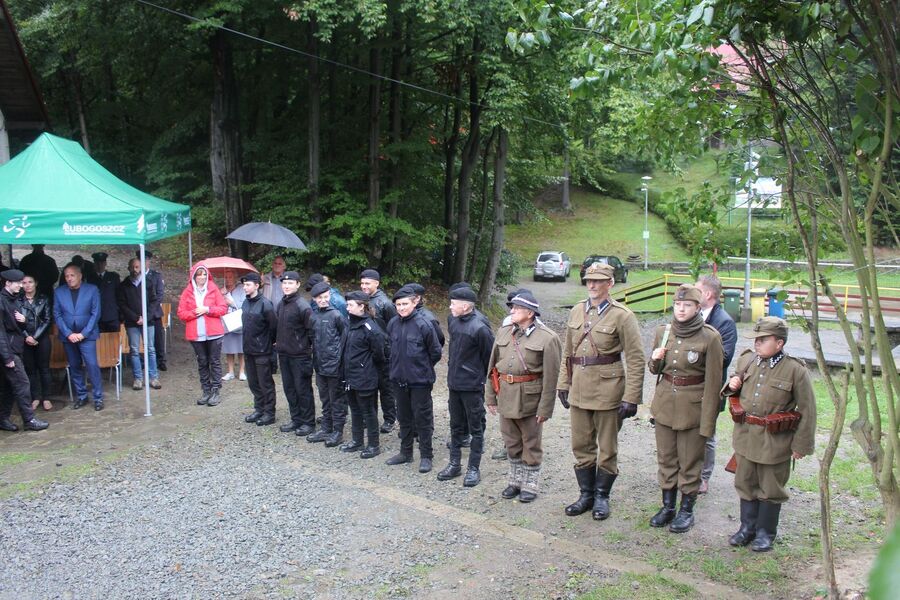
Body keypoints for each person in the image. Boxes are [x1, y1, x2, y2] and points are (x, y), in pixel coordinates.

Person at [557, 262, 646, 521]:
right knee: (581, 445)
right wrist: (563, 383)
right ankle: (585, 494)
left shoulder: (623, 316)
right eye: (588, 280)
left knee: (607, 448)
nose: (592, 285)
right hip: (580, 389)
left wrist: (631, 397)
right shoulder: (576, 311)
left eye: (598, 280)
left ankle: (602, 497)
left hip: (609, 390)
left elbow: (636, 358)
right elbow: (568, 352)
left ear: (610, 283)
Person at [724, 317, 816, 552]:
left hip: (775, 440)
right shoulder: (747, 360)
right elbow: (733, 392)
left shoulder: (795, 370)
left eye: (763, 340)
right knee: (745, 482)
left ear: (779, 343)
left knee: (770, 487)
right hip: (746, 436)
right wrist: (732, 385)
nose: (757, 343)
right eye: (756, 339)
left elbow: (807, 410)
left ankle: (765, 533)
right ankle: (747, 528)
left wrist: (800, 445)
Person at [647, 284, 723, 533]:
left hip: (693, 409)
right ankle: (668, 507)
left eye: (687, 305)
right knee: (666, 458)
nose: (681, 309)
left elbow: (714, 383)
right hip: (666, 404)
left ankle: (686, 511)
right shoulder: (663, 332)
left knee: (690, 462)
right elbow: (655, 370)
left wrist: (708, 422)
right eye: (678, 304)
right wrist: (656, 359)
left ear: (697, 308)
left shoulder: (709, 337)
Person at [485, 291, 561, 503]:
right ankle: (515, 481)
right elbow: (492, 368)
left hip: (530, 398)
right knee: (511, 440)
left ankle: (530, 483)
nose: (512, 311)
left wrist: (545, 408)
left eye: (516, 308)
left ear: (529, 312)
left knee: (531, 441)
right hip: (506, 395)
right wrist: (490, 396)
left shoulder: (548, 338)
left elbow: (552, 376)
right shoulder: (503, 332)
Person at [438, 285, 494, 487]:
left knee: (476, 428)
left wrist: (481, 380)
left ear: (466, 306)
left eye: (453, 304)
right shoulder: (453, 320)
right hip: (454, 383)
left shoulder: (480, 327)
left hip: (472, 385)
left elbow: (490, 357)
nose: (450, 307)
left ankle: (473, 468)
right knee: (455, 425)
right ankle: (454, 464)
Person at [385, 285, 443, 473]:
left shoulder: (424, 324)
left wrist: (420, 369)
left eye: (404, 304)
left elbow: (435, 352)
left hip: (420, 381)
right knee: (404, 417)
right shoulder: (393, 323)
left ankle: (426, 456)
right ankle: (406, 452)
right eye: (398, 305)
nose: (401, 308)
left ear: (414, 303)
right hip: (398, 380)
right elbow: (390, 348)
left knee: (422, 419)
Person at [695, 274, 737, 494]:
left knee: (707, 433)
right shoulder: (692, 315)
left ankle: (703, 477)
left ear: (708, 294)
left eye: (697, 289)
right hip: (688, 389)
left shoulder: (725, 322)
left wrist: (694, 355)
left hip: (710, 388)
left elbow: (725, 358)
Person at [0, 270, 49, 432]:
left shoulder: (11, 300)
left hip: (14, 348)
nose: (21, 286)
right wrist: (7, 358)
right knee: (22, 383)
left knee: (8, 386)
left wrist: (24, 320)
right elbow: (1, 332)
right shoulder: (2, 301)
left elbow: (17, 326)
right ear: (7, 283)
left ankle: (3, 419)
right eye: (18, 283)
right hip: (8, 351)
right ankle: (29, 419)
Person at [339, 291, 385, 458]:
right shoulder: (349, 324)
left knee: (368, 411)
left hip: (365, 377)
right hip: (349, 376)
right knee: (355, 410)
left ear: (361, 307)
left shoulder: (370, 328)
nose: (347, 308)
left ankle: (373, 445)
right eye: (347, 304)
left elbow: (379, 354)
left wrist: (364, 366)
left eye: (350, 305)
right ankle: (357, 441)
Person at [53, 263, 104, 411]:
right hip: (68, 337)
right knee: (75, 366)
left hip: (87, 335)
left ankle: (98, 398)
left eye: (72, 275)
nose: (69, 278)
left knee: (92, 365)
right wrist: (69, 333)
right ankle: (81, 396)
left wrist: (83, 334)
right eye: (66, 276)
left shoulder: (92, 289)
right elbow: (57, 314)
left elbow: (96, 313)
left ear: (80, 276)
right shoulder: (59, 292)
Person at [177, 263, 227, 407]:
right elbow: (181, 313)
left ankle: (216, 391)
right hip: (196, 334)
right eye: (199, 275)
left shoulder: (213, 289)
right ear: (194, 276)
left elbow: (222, 308)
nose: (202, 277)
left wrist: (207, 309)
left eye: (204, 274)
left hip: (214, 333)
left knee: (215, 361)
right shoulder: (187, 292)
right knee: (202, 362)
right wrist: (195, 312)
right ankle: (206, 391)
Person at [307, 281, 348, 446]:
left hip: (335, 365)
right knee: (325, 398)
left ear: (329, 296)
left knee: (336, 399)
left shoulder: (337, 315)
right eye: (319, 298)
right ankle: (326, 428)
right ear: (315, 299)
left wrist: (340, 362)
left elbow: (344, 339)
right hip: (320, 364)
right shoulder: (314, 316)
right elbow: (312, 339)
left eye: (325, 297)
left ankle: (338, 431)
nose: (322, 300)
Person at [275, 271, 316, 435]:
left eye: (290, 283)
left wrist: (306, 349)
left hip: (300, 356)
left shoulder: (302, 306)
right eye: (284, 283)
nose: (286, 286)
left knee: (303, 389)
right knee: (289, 388)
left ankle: (308, 422)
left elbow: (311, 331)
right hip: (284, 354)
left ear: (298, 284)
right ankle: (296, 419)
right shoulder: (281, 303)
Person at [360, 268, 397, 433]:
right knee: (370, 386)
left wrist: (389, 349)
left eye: (367, 283)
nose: (364, 286)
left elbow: (394, 327)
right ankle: (370, 417)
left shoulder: (386, 303)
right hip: (369, 351)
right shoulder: (363, 300)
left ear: (377, 283)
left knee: (386, 388)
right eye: (362, 283)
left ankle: (390, 419)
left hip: (385, 352)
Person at [117, 258, 161, 391]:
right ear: (129, 268)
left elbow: (154, 301)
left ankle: (153, 377)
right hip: (132, 323)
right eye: (133, 267)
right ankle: (138, 378)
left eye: (137, 267)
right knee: (134, 350)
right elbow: (122, 304)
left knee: (151, 349)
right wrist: (136, 318)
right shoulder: (124, 285)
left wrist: (146, 317)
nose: (135, 270)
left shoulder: (148, 282)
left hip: (148, 322)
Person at [240, 272, 278, 426]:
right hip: (248, 349)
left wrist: (269, 345)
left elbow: (273, 327)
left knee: (265, 383)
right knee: (253, 383)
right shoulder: (245, 302)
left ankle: (269, 413)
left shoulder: (265, 304)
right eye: (244, 284)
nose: (245, 287)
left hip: (263, 350)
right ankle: (259, 409)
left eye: (248, 284)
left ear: (257, 285)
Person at [18, 275, 52, 411]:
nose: (27, 285)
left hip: (42, 338)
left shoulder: (44, 299)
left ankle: (47, 397)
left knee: (44, 369)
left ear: (36, 283)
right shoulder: (18, 300)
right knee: (30, 370)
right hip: (25, 338)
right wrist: (27, 336)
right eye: (24, 283)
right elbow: (15, 322)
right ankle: (35, 397)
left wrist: (35, 337)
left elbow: (48, 319)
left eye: (30, 282)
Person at [141, 250, 167, 371]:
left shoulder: (156, 276)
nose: (144, 262)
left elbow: (160, 295)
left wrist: (150, 312)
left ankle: (161, 360)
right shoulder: (136, 275)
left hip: (154, 312)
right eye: (141, 259)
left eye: (146, 260)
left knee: (158, 337)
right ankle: (143, 360)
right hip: (140, 311)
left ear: (149, 261)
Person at [220, 268, 246, 381]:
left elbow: (244, 305)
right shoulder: (221, 290)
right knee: (229, 348)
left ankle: (242, 371)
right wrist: (221, 296)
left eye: (230, 277)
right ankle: (230, 371)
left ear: (235, 278)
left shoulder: (241, 289)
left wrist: (231, 302)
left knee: (241, 348)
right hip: (226, 322)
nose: (228, 279)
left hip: (239, 321)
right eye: (226, 277)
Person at [92, 252, 121, 333]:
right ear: (94, 263)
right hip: (96, 317)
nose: (99, 265)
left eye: (102, 263)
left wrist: (120, 314)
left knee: (114, 343)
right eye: (97, 263)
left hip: (111, 316)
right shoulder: (90, 278)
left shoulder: (113, 277)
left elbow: (119, 295)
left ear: (105, 263)